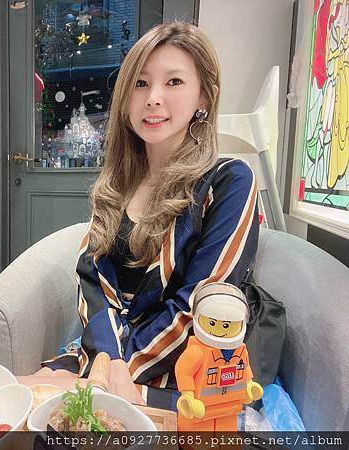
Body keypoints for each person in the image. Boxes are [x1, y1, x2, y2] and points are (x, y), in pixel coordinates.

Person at [34, 21, 259, 407]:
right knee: (28, 392)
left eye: (174, 82)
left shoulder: (229, 181)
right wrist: (108, 364)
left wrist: (117, 373)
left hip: (184, 368)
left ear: (205, 97)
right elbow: (92, 283)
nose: (153, 98)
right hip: (107, 352)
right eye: (140, 83)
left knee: (69, 402)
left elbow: (200, 304)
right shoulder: (117, 184)